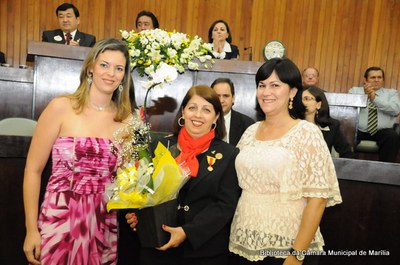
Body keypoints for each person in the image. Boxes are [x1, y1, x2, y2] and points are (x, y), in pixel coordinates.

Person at [22, 38, 134, 265]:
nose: (111, 73)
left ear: (124, 76)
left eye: (119, 68)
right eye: (104, 64)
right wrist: (31, 229)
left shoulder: (128, 121)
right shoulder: (61, 108)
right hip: (59, 219)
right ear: (91, 67)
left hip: (103, 224)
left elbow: (127, 181)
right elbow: (33, 171)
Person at [229, 58, 342, 265]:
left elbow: (317, 200)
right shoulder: (250, 131)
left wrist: (296, 256)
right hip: (244, 240)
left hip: (287, 247)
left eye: (275, 85)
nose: (266, 92)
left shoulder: (306, 132)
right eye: (262, 85)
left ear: (292, 92)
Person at [126, 85, 241, 265]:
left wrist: (188, 231)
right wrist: (136, 214)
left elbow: (225, 205)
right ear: (183, 112)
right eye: (192, 108)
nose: (198, 115)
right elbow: (143, 190)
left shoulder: (229, 154)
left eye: (206, 110)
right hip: (157, 248)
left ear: (216, 117)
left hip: (203, 252)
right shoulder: (159, 146)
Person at [349, 66, 400, 162]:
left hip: (382, 131)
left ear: (383, 80)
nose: (376, 80)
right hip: (358, 130)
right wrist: (364, 96)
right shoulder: (355, 91)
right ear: (365, 80)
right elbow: (348, 109)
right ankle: (347, 167)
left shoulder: (391, 93)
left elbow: (396, 110)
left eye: (379, 77)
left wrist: (374, 99)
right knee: (345, 132)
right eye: (373, 77)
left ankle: (385, 171)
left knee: (392, 136)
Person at [302, 85, 354, 158]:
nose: (302, 102)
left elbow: (347, 153)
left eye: (306, 99)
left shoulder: (332, 126)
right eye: (299, 99)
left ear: (318, 104)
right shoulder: (291, 124)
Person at [211, 77, 255, 145]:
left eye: (225, 96)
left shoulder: (248, 124)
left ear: (233, 98)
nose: (221, 100)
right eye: (217, 96)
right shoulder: (202, 121)